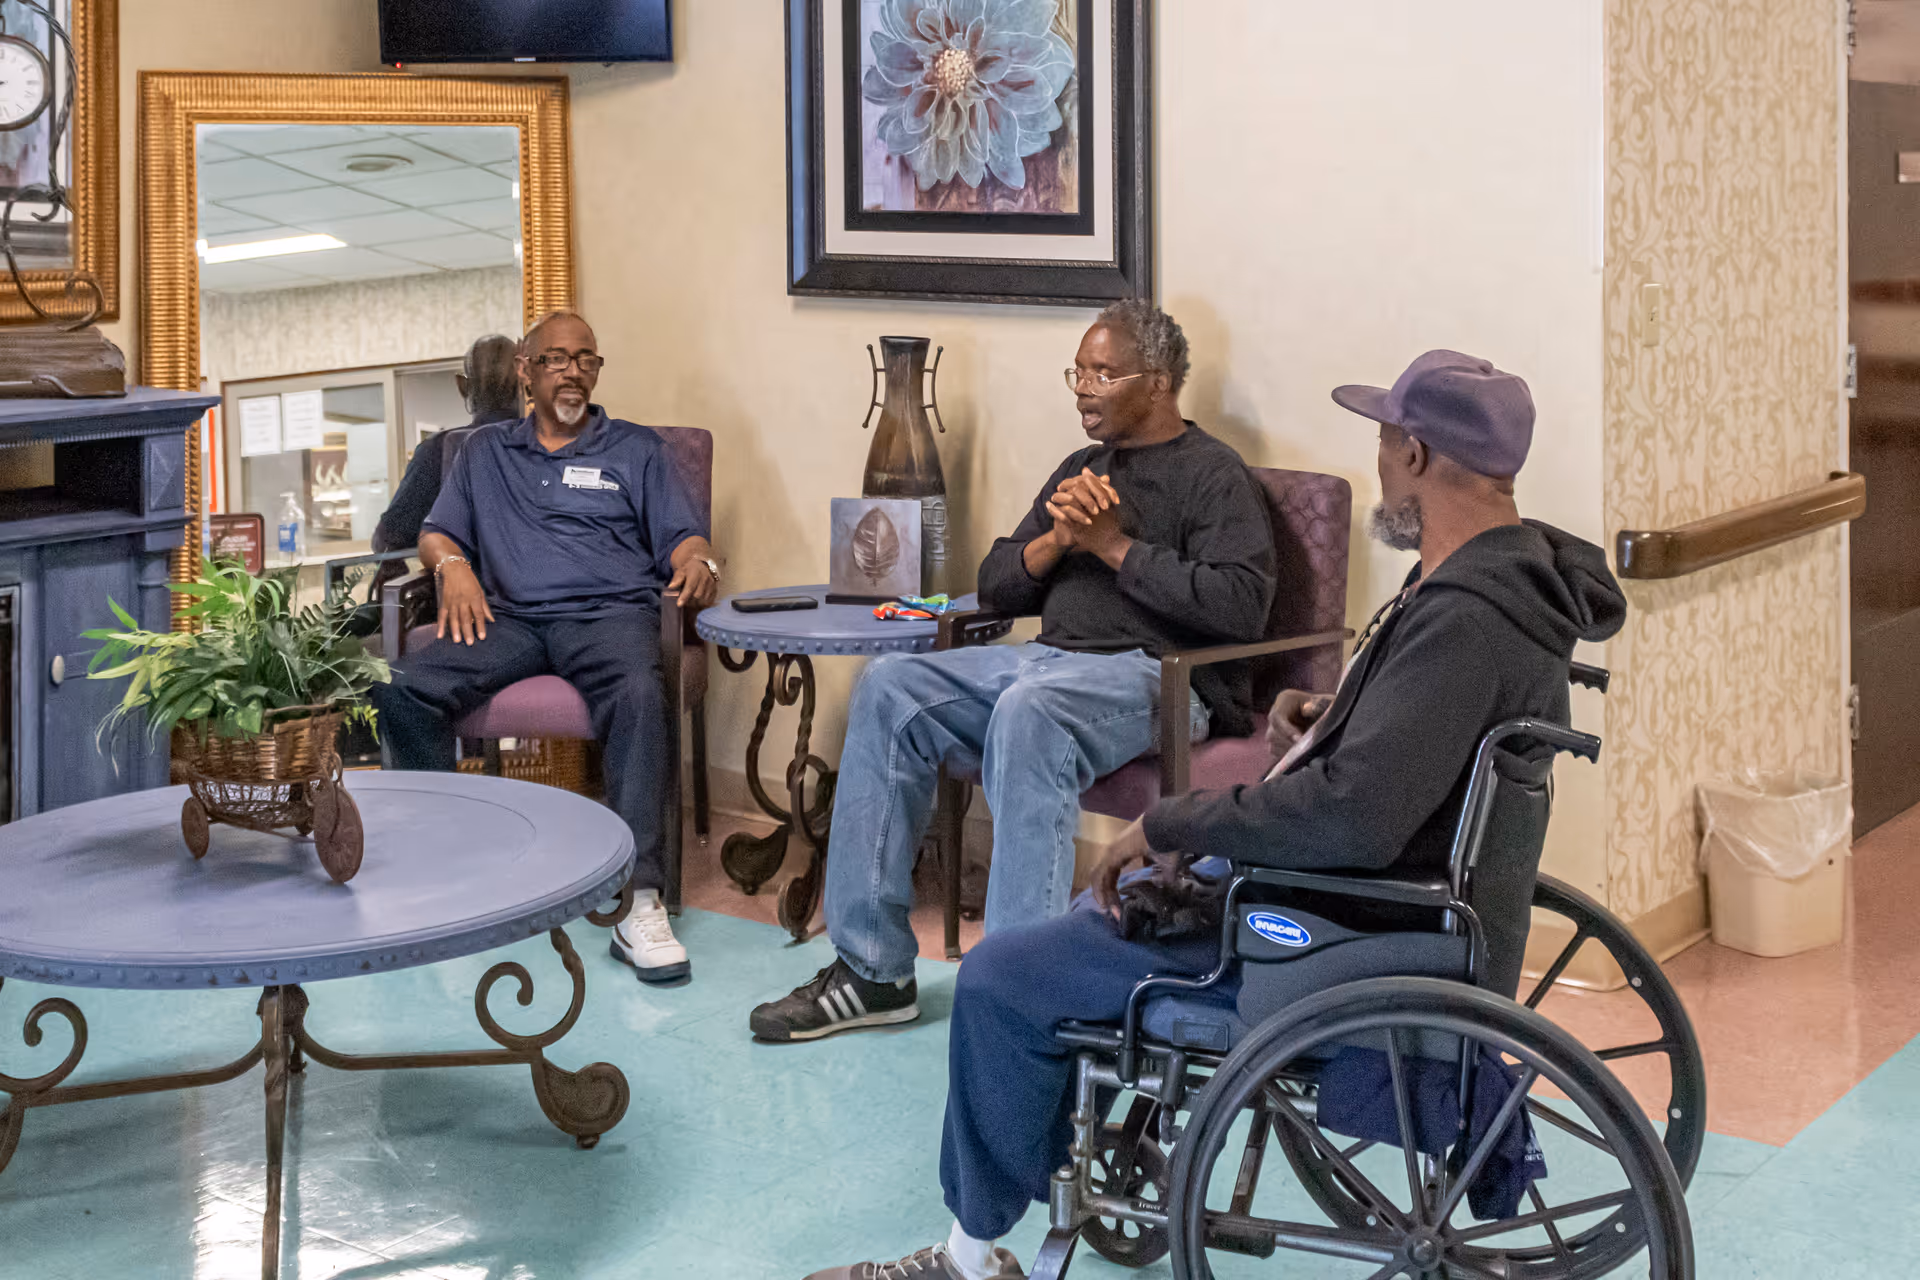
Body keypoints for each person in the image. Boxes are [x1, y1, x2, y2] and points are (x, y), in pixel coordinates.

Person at [802, 350, 1628, 1280]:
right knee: (1057, 864)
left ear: (1420, 455)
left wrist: (1174, 823)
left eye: (1388, 444)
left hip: (1324, 931)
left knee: (1001, 977)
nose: (1381, 465)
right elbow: (1406, 755)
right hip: (1376, 904)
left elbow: (1352, 819)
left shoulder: (1460, 616)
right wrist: (1335, 720)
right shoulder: (1501, 588)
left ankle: (967, 1256)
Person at [749, 300, 1279, 1043]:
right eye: (1079, 371)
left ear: (1157, 383)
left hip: (1157, 679)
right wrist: (1059, 539)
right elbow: (998, 582)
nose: (1083, 388)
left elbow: (1240, 606)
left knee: (1032, 710)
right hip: (1045, 661)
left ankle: (1014, 995)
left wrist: (1114, 545)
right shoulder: (1081, 468)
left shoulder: (1214, 476)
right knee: (891, 687)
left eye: (1103, 373)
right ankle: (872, 972)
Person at [369, 310, 723, 984]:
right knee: (401, 686)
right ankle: (447, 871)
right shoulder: (483, 453)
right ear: (526, 372)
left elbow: (684, 538)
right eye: (556, 359)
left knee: (641, 693)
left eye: (585, 359)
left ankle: (639, 900)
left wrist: (700, 559)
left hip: (609, 616)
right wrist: (453, 567)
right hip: (511, 621)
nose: (573, 371)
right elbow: (436, 533)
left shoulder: (637, 450)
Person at [372, 333, 522, 559]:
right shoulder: (548, 443)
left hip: (459, 585)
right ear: (525, 383)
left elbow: (387, 540)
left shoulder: (437, 451)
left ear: (462, 386)